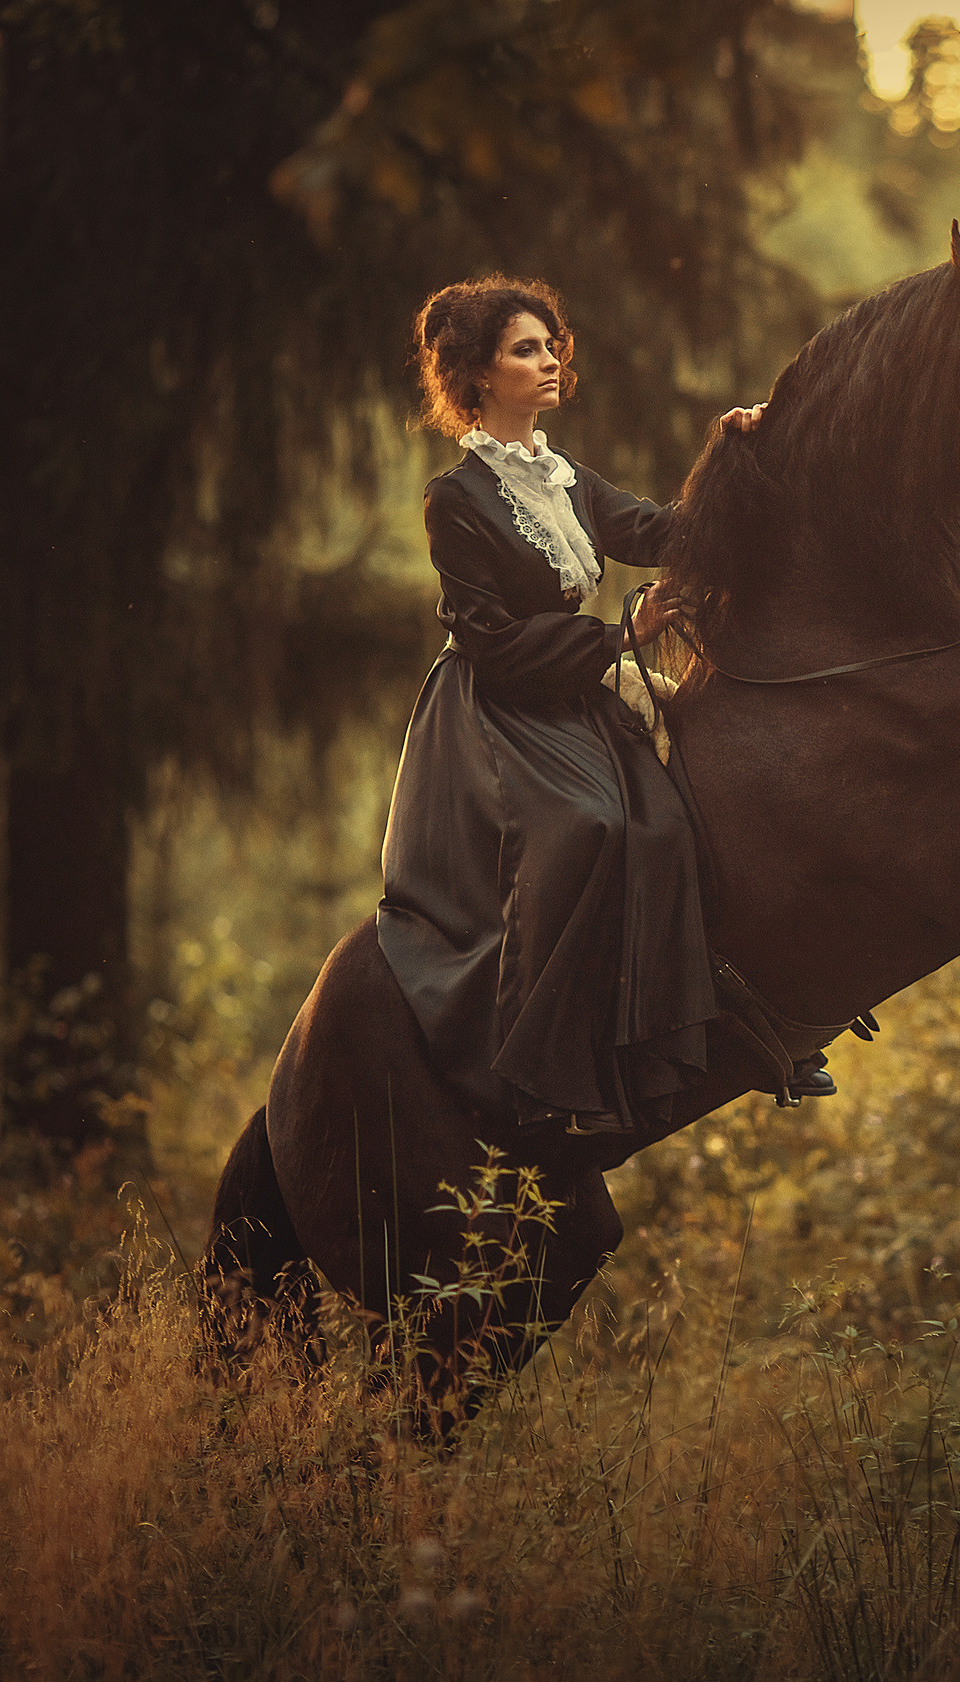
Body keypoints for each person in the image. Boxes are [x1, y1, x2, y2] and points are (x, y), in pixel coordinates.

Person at [376, 274, 820, 1137]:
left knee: (668, 819)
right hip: (496, 706)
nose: (550, 362)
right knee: (587, 828)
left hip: (576, 689)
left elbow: (662, 532)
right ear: (477, 376)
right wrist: (623, 630)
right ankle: (540, 1078)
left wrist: (733, 450)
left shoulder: (565, 476)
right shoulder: (456, 499)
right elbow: (493, 644)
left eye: (550, 345)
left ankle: (702, 1031)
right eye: (525, 350)